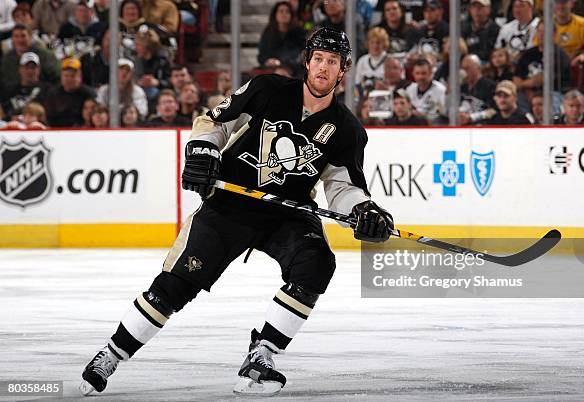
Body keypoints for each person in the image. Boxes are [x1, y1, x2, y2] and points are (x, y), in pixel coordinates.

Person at [79, 27, 394, 397]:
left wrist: (364, 209)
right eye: (319, 59)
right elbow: (214, 123)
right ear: (307, 61)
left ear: (343, 71)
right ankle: (112, 353)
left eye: (333, 62)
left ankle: (263, 353)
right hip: (230, 204)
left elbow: (342, 186)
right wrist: (202, 150)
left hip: (286, 212)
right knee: (173, 288)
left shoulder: (347, 130)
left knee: (317, 262)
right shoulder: (267, 90)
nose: (324, 68)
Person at [257, 1, 307, 75]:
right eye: (281, 11)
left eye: (287, 12)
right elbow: (262, 54)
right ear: (275, 15)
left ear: (291, 15)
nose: (284, 14)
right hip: (272, 68)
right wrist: (267, 61)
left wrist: (281, 62)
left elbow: (300, 54)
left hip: (293, 69)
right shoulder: (268, 32)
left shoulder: (298, 32)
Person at [44, 57, 97, 127]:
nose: (69, 79)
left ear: (80, 77)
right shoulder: (53, 94)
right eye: (66, 76)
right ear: (61, 77)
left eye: (72, 76)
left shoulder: (88, 94)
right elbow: (48, 118)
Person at [1, 52, 50, 119]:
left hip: (37, 126)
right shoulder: (9, 90)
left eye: (33, 68)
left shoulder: (47, 89)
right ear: (20, 69)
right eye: (26, 67)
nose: (30, 71)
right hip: (12, 126)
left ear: (38, 69)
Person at [554, 0, 584, 67]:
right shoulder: (546, 26)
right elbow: (538, 48)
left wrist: (579, 55)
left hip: (578, 66)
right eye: (557, 3)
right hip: (553, 65)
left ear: (572, 4)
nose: (561, 6)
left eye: (564, 3)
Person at [405, 58, 447, 124]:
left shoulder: (440, 90)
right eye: (417, 73)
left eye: (423, 73)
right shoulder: (410, 89)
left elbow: (444, 114)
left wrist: (424, 116)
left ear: (430, 73)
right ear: (413, 74)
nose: (420, 77)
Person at [459, 54, 497, 125]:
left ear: (478, 68)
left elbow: (494, 110)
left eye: (467, 68)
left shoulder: (490, 86)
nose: (464, 72)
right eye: (462, 68)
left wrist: (472, 117)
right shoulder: (462, 87)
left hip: (482, 126)